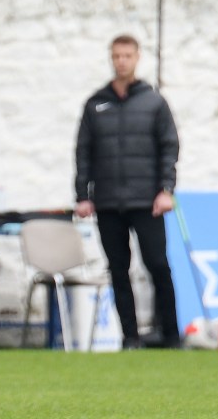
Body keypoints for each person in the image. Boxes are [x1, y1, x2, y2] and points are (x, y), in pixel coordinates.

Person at [75, 34, 180, 349]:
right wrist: (83, 195)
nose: (121, 61)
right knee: (118, 270)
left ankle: (170, 335)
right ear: (111, 58)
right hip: (108, 202)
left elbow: (169, 147)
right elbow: (83, 152)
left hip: (147, 201)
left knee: (158, 265)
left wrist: (166, 189)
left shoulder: (154, 102)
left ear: (137, 58)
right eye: (116, 56)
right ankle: (130, 337)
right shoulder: (95, 104)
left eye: (127, 56)